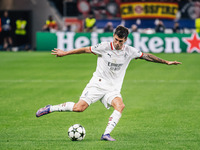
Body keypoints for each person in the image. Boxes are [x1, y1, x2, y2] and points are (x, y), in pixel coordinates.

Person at [36, 25, 181, 141]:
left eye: (121, 41)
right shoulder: (104, 47)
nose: (118, 43)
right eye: (116, 40)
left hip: (112, 89)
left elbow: (147, 56)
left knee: (120, 105)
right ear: (114, 36)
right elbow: (85, 49)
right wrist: (65, 53)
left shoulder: (129, 51)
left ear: (126, 40)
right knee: (79, 108)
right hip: (97, 84)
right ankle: (50, 108)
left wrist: (166, 61)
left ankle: (106, 134)